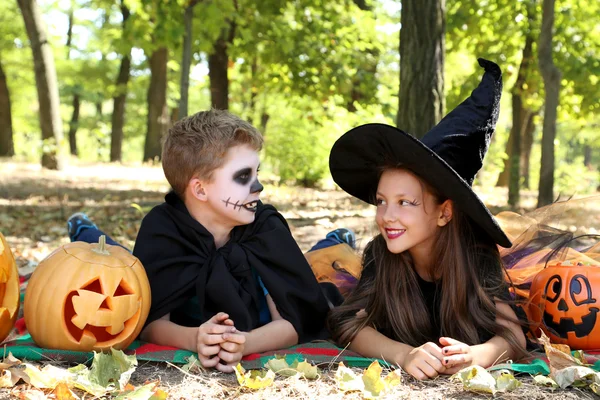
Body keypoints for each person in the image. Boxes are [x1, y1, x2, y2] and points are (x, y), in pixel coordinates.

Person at [67, 110, 342, 373]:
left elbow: (295, 319)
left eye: (256, 173)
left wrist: (245, 343)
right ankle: (84, 230)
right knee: (116, 261)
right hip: (163, 278)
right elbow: (147, 321)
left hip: (259, 320)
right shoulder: (163, 230)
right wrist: (194, 338)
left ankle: (333, 240)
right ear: (200, 189)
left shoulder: (265, 228)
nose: (258, 186)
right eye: (243, 176)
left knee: (317, 263)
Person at [327, 59, 528, 380]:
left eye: (405, 202)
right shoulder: (383, 254)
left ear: (444, 213)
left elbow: (513, 334)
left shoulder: (474, 255)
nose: (387, 216)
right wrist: (402, 354)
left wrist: (478, 354)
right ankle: (337, 239)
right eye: (381, 201)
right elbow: (349, 325)